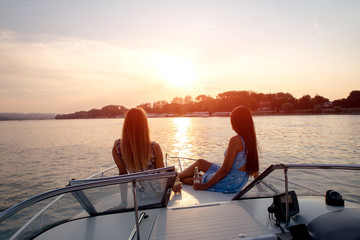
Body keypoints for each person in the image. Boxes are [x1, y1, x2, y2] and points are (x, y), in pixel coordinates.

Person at [178, 106, 259, 193]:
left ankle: (175, 178)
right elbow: (255, 168)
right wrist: (259, 186)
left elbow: (225, 170)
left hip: (229, 181)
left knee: (186, 179)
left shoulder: (235, 140)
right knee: (200, 163)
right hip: (239, 181)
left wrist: (205, 186)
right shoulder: (251, 140)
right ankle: (177, 176)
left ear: (236, 122)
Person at [112, 107, 182, 192]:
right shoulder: (154, 147)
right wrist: (174, 185)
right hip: (158, 196)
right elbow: (162, 176)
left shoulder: (118, 147)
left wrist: (124, 203)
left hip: (138, 195)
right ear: (144, 125)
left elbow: (123, 176)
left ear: (126, 124)